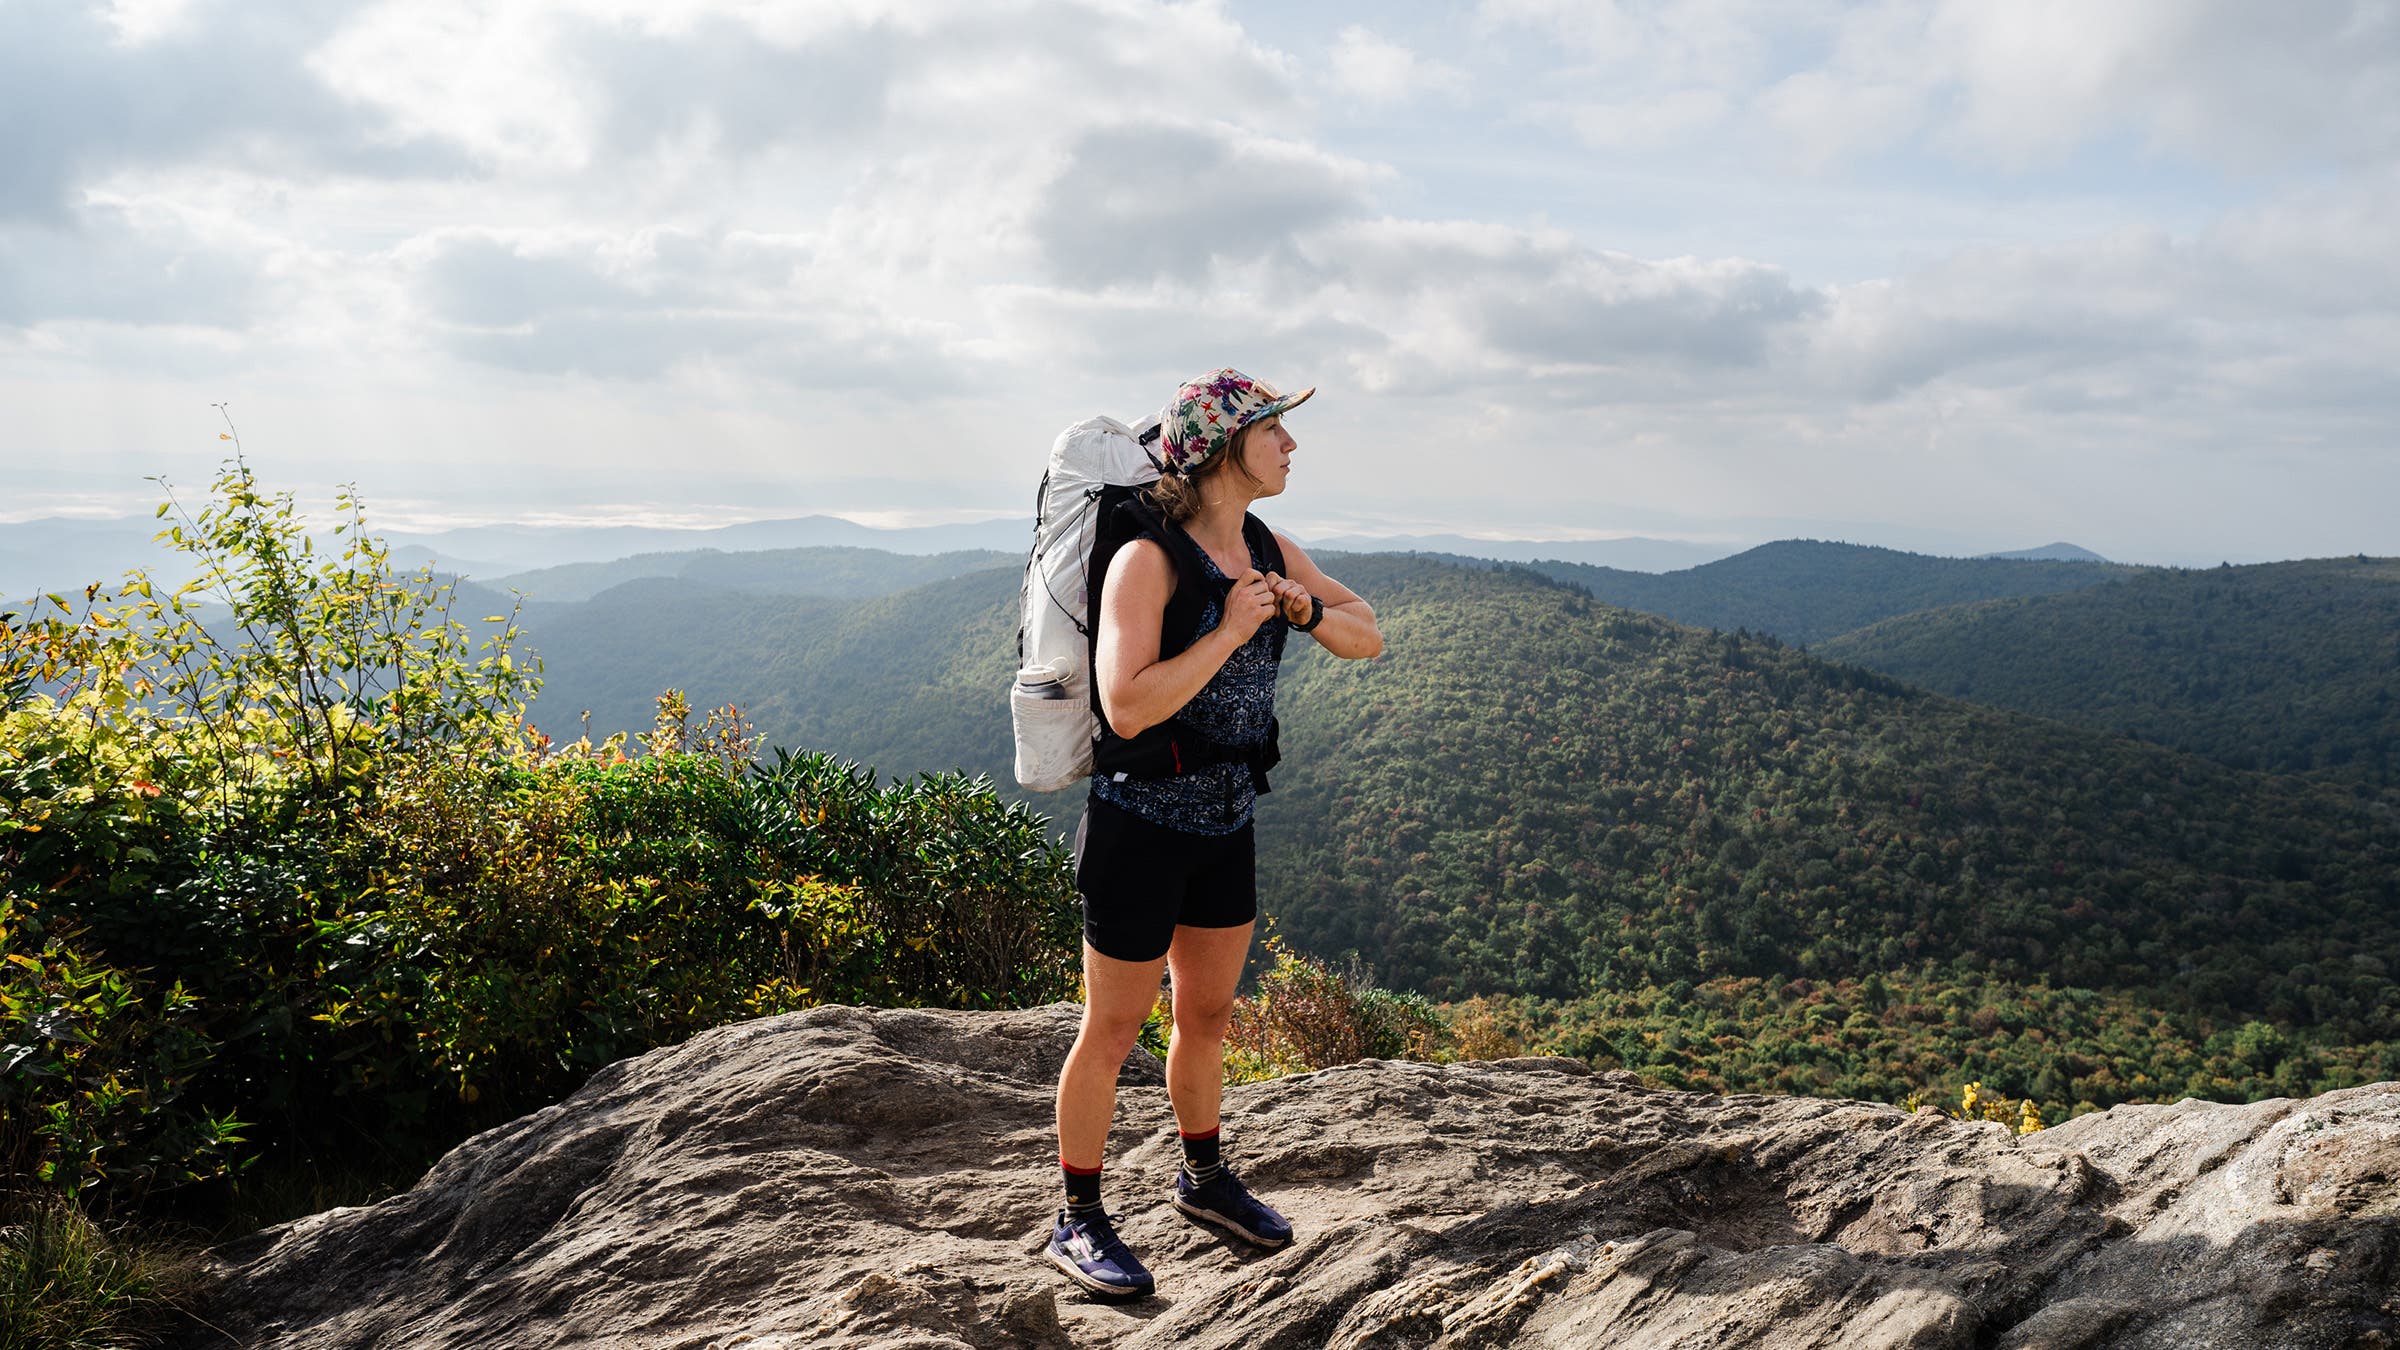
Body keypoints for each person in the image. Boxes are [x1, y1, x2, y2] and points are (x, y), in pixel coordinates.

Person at [1045, 369, 1383, 1300]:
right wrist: (1233, 630)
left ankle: (1202, 1180)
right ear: (1225, 448)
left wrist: (1302, 608)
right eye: (1275, 429)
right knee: (1113, 1028)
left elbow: (1368, 636)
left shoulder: (1270, 546)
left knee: (1208, 1016)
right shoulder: (1147, 562)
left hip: (1227, 821)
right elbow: (1127, 702)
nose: (1291, 445)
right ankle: (1076, 1218)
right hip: (1139, 826)